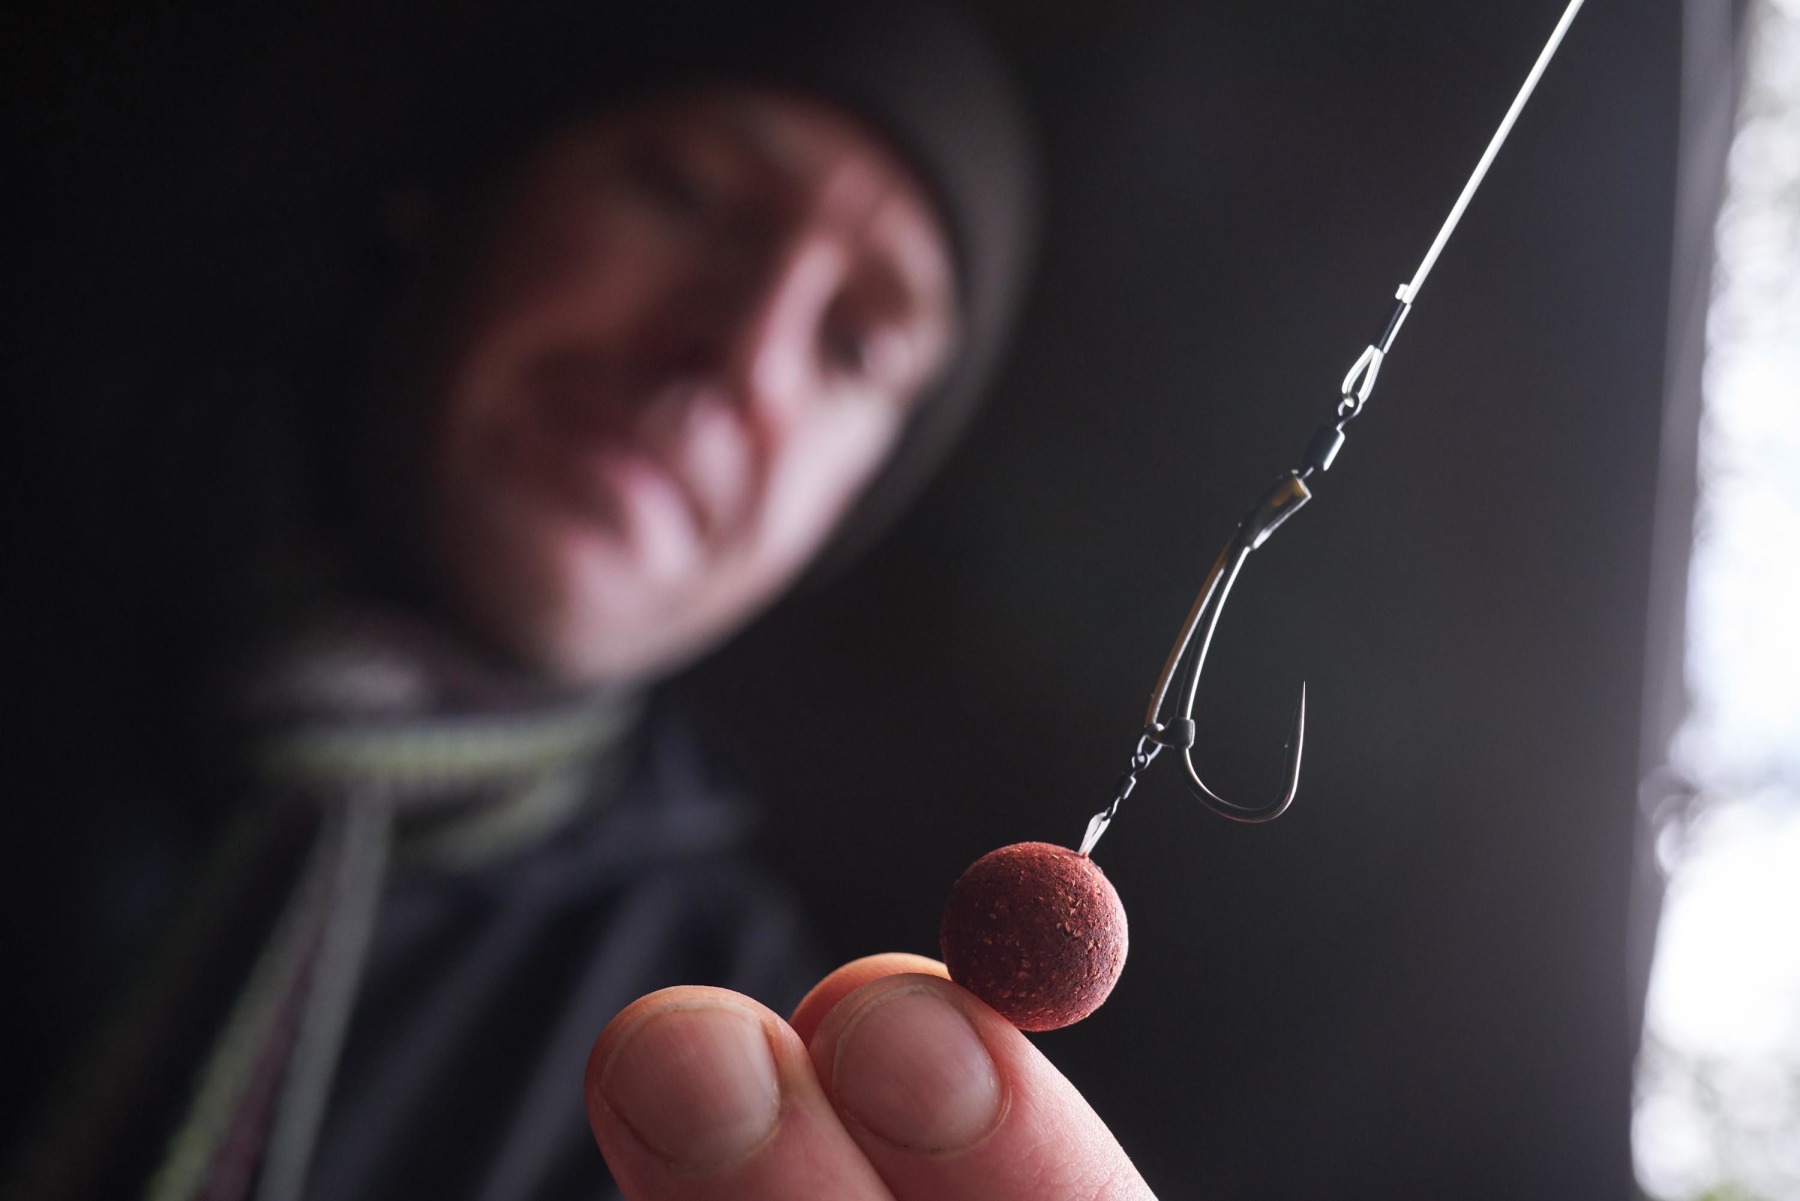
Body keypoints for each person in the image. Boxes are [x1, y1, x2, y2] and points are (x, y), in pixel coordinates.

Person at [3, 2, 1157, 1199]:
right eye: (688, 193)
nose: (739, 355)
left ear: (843, 510)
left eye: (855, 344)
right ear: (455, 193)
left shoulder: (759, 1058)